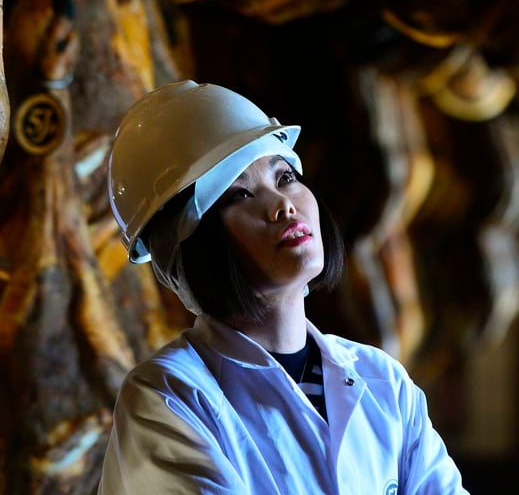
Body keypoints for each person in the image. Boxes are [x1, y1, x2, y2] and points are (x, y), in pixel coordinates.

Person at [98, 79, 470, 494]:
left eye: (285, 176)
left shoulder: (383, 381)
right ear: (186, 246)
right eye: (238, 195)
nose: (283, 204)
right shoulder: (170, 397)